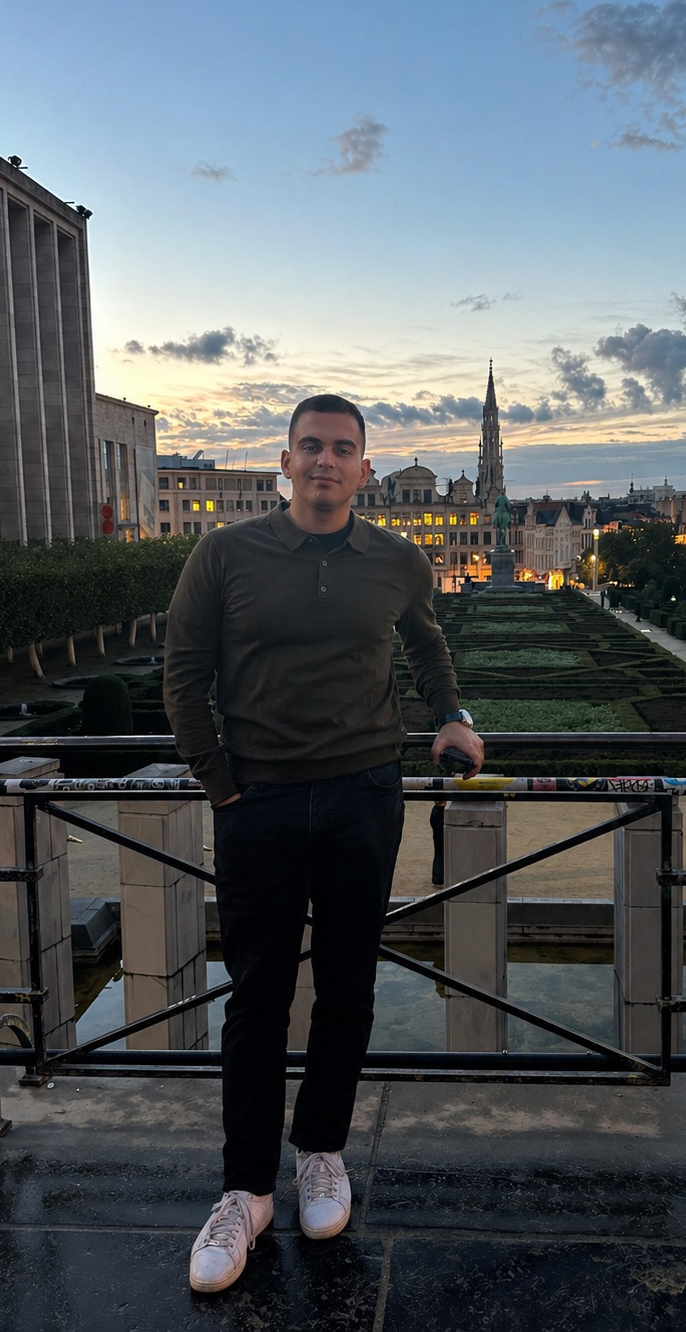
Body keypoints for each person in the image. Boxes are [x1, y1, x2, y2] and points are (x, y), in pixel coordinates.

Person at [163, 394, 484, 1294]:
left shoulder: (396, 558)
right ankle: (242, 1192)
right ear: (286, 458)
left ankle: (322, 1152)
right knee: (257, 996)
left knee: (348, 987)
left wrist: (450, 717)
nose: (326, 462)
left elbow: (429, 650)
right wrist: (217, 779)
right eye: (311, 447)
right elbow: (183, 672)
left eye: (343, 449)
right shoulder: (224, 552)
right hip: (256, 802)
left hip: (360, 797)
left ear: (365, 468)